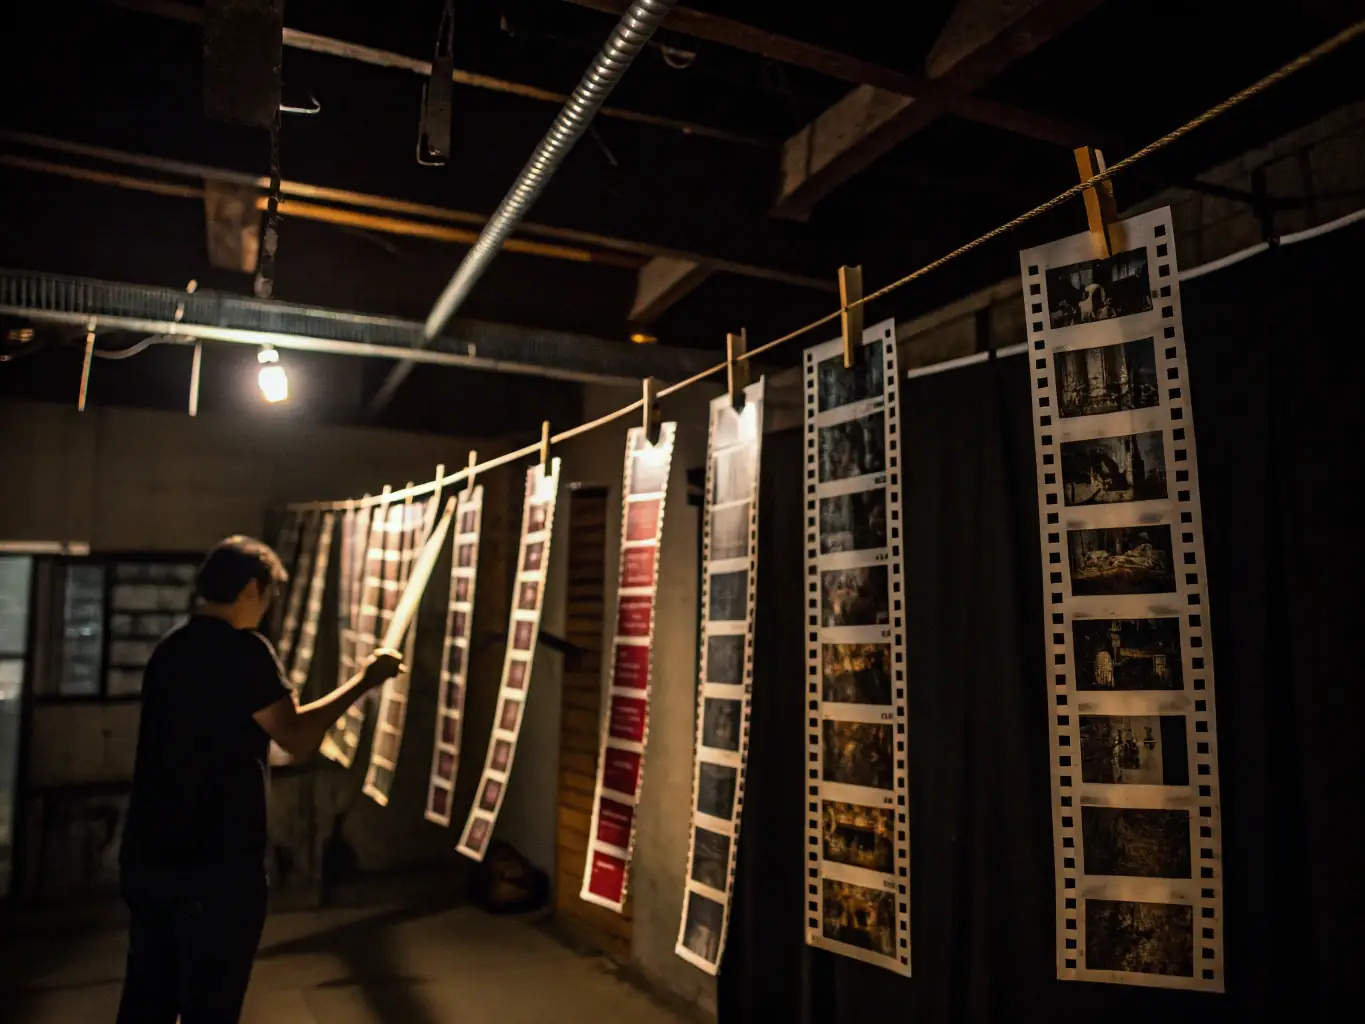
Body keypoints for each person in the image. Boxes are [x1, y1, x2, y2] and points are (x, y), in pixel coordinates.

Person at [116, 535, 402, 1024]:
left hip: (151, 852)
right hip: (217, 860)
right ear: (250, 588)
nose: (267, 609)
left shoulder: (171, 649)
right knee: (213, 1001)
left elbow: (209, 738)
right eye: (268, 596)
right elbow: (294, 735)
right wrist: (366, 680)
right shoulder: (243, 650)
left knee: (149, 996)